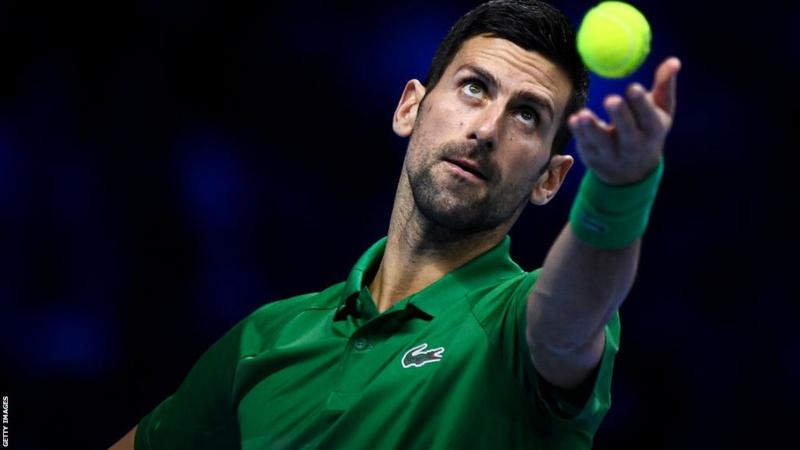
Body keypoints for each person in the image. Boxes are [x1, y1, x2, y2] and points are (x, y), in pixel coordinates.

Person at [111, 0, 680, 448]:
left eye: (526, 115)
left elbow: (568, 319)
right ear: (411, 106)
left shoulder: (516, 324)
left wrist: (619, 192)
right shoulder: (266, 339)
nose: (486, 129)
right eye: (474, 87)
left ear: (550, 179)